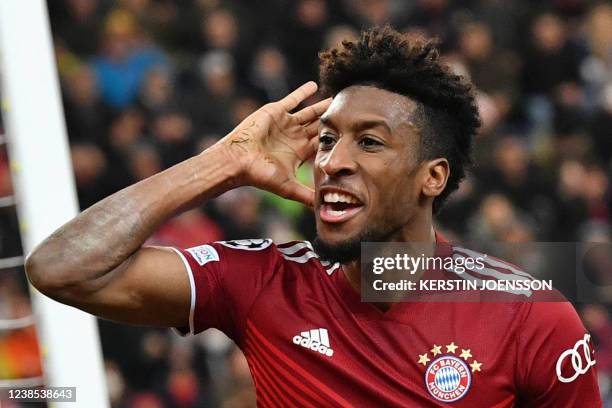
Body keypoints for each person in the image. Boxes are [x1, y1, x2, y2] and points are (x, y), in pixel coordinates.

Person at [26, 27, 600, 406]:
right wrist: (223, 165)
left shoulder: (531, 318)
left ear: (434, 177)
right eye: (325, 141)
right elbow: (62, 267)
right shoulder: (262, 283)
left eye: (369, 143)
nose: (332, 162)